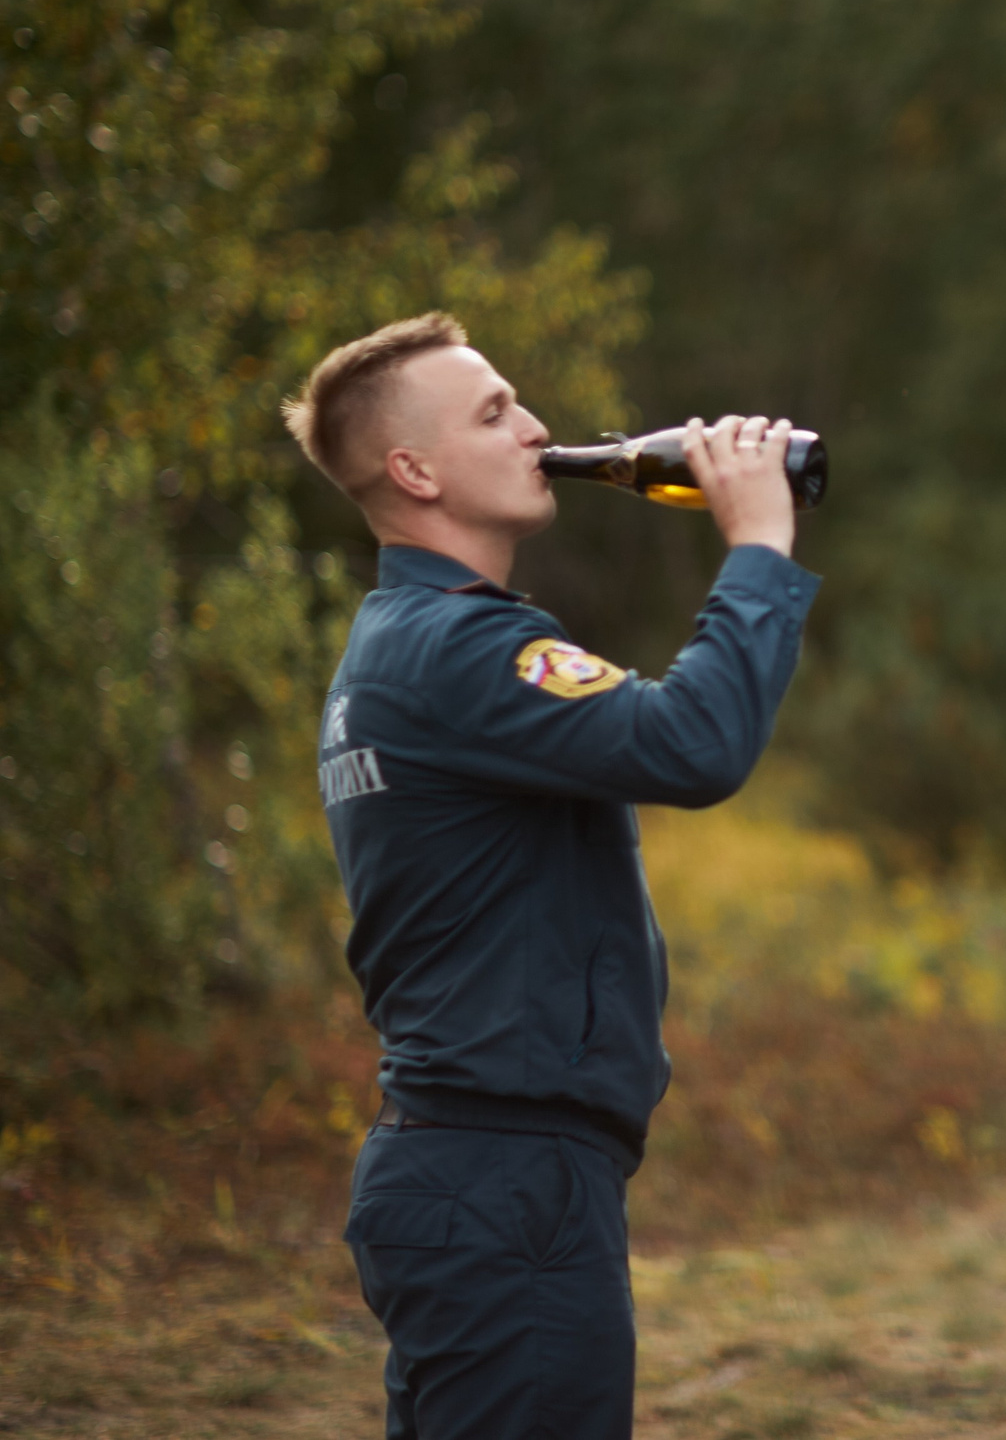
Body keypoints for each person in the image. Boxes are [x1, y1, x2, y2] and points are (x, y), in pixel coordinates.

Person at [280, 312, 819, 1440]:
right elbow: (692, 744)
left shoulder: (407, 643)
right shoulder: (459, 650)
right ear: (413, 469)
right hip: (504, 1185)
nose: (535, 427)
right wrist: (759, 545)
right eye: (493, 412)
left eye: (519, 402)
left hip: (471, 1172)